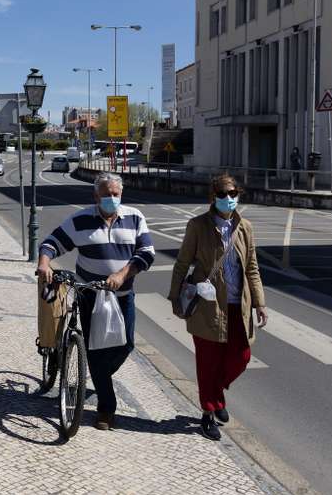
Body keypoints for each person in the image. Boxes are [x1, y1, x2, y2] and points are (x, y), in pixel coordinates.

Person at [36, 173, 155, 430]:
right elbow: (51, 243)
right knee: (96, 350)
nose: (111, 198)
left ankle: (100, 376)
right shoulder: (80, 220)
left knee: (127, 345)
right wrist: (44, 263)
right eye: (106, 194)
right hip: (90, 294)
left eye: (115, 194)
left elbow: (147, 253)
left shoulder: (134, 217)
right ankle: (106, 408)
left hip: (122, 295)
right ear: (96, 196)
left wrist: (123, 274)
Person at [168, 174, 267, 441]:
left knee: (241, 356)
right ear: (213, 197)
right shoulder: (198, 226)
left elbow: (252, 268)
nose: (228, 199)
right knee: (208, 362)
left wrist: (259, 302)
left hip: (239, 306)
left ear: (239, 195)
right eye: (223, 194)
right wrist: (175, 296)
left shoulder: (245, 227)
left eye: (233, 194)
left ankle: (216, 395)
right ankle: (208, 412)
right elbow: (182, 263)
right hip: (208, 306)